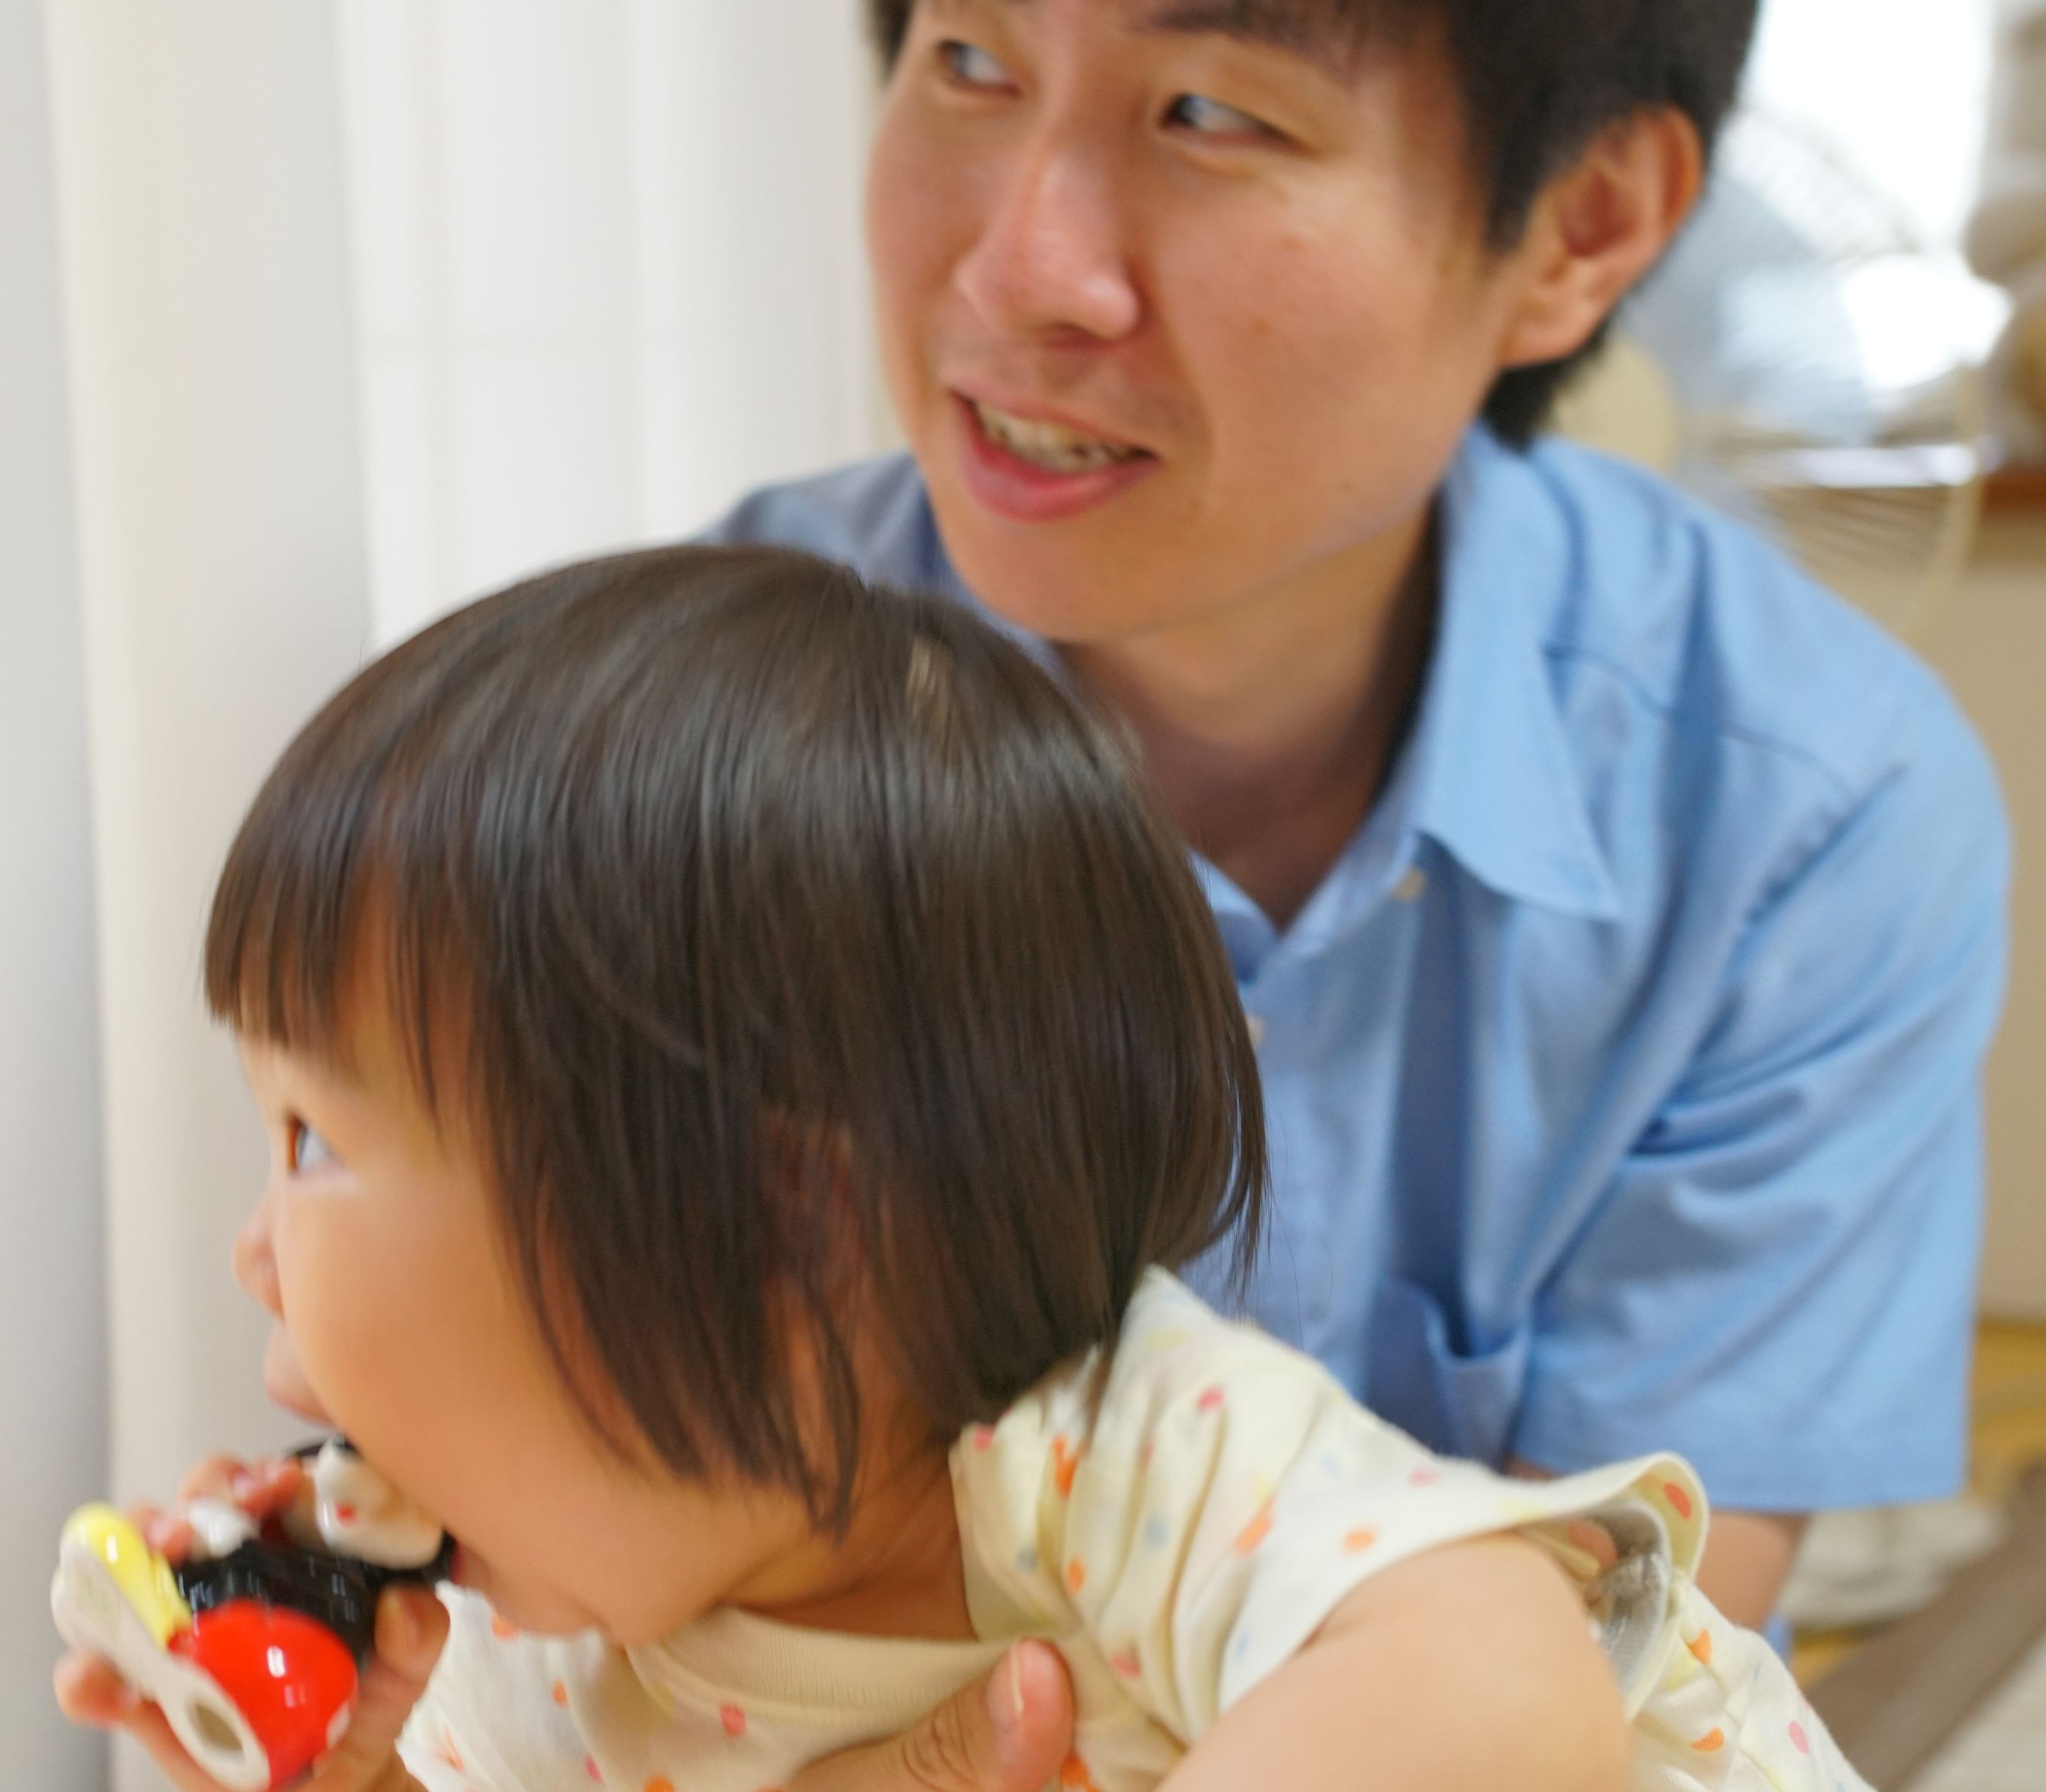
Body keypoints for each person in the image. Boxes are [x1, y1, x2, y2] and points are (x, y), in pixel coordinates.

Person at [59, 547, 1866, 1792]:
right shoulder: (529, 1646)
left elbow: (1494, 1675)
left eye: (314, 1138)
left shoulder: (1116, 1464)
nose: (252, 1248)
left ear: (781, 1229)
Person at [708, 0, 2008, 1644]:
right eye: (971, 64)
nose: (1018, 271)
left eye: (1209, 113)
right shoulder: (653, 764)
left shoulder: (1796, 811)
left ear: (1581, 224)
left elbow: (1610, 1668)